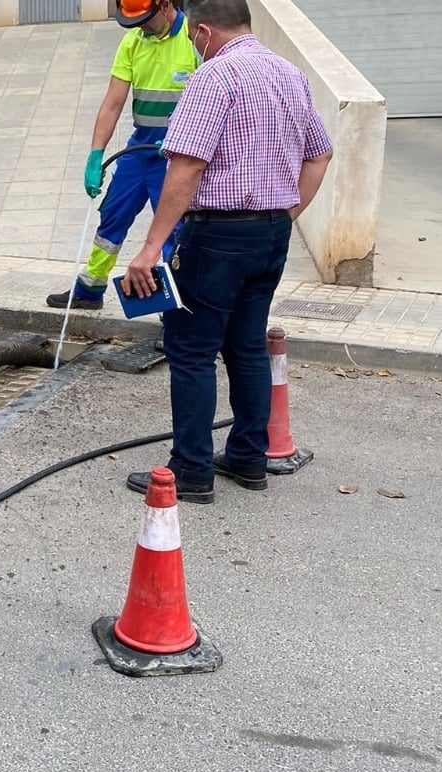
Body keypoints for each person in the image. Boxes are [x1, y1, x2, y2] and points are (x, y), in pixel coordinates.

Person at [121, 0, 333, 504]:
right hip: (270, 237)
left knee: (191, 350)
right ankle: (248, 458)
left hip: (216, 236)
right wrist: (283, 217)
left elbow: (187, 166)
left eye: (195, 38)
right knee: (244, 345)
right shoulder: (289, 74)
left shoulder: (212, 79)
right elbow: (320, 152)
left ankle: (191, 470)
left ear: (202, 32)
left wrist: (151, 248)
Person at [47, 0, 198, 311]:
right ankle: (90, 289)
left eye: (144, 19)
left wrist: (182, 140)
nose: (139, 26)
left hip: (176, 159)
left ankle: (176, 313)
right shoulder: (133, 42)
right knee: (113, 215)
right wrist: (94, 155)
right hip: (140, 151)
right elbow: (113, 103)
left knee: (173, 232)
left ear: (166, 5)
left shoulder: (193, 40)